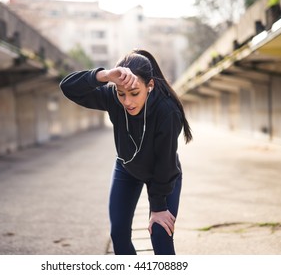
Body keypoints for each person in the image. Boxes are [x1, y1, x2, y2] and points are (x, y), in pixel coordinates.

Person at [59, 49, 192, 255]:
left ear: (150, 86)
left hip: (162, 174)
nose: (127, 101)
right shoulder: (112, 97)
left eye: (134, 93)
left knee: (160, 233)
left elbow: (165, 163)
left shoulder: (167, 110)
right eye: (122, 94)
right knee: (119, 235)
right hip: (127, 168)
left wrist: (157, 207)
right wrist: (104, 76)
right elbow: (68, 87)